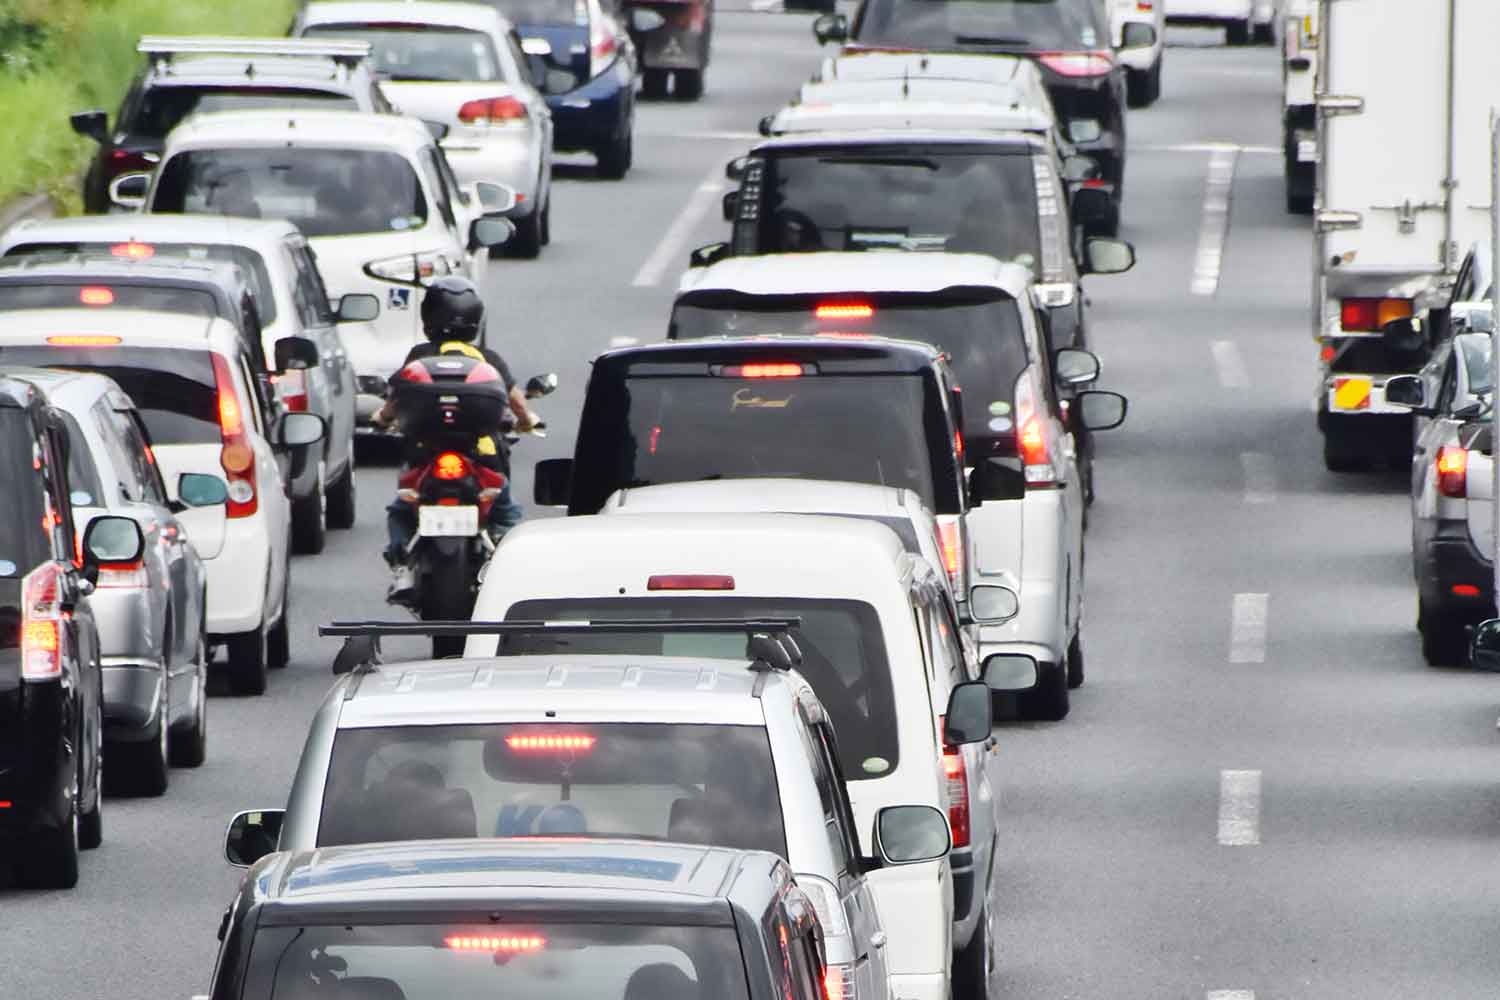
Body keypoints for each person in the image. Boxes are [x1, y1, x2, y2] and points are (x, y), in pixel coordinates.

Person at [373, 276, 538, 601]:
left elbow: (394, 401)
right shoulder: (487, 358)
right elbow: (516, 400)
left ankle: (402, 568)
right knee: (507, 512)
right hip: (481, 456)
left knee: (401, 510)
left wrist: (381, 419)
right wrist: (528, 420)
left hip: (424, 457)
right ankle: (504, 564)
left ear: (428, 317)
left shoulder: (419, 356)